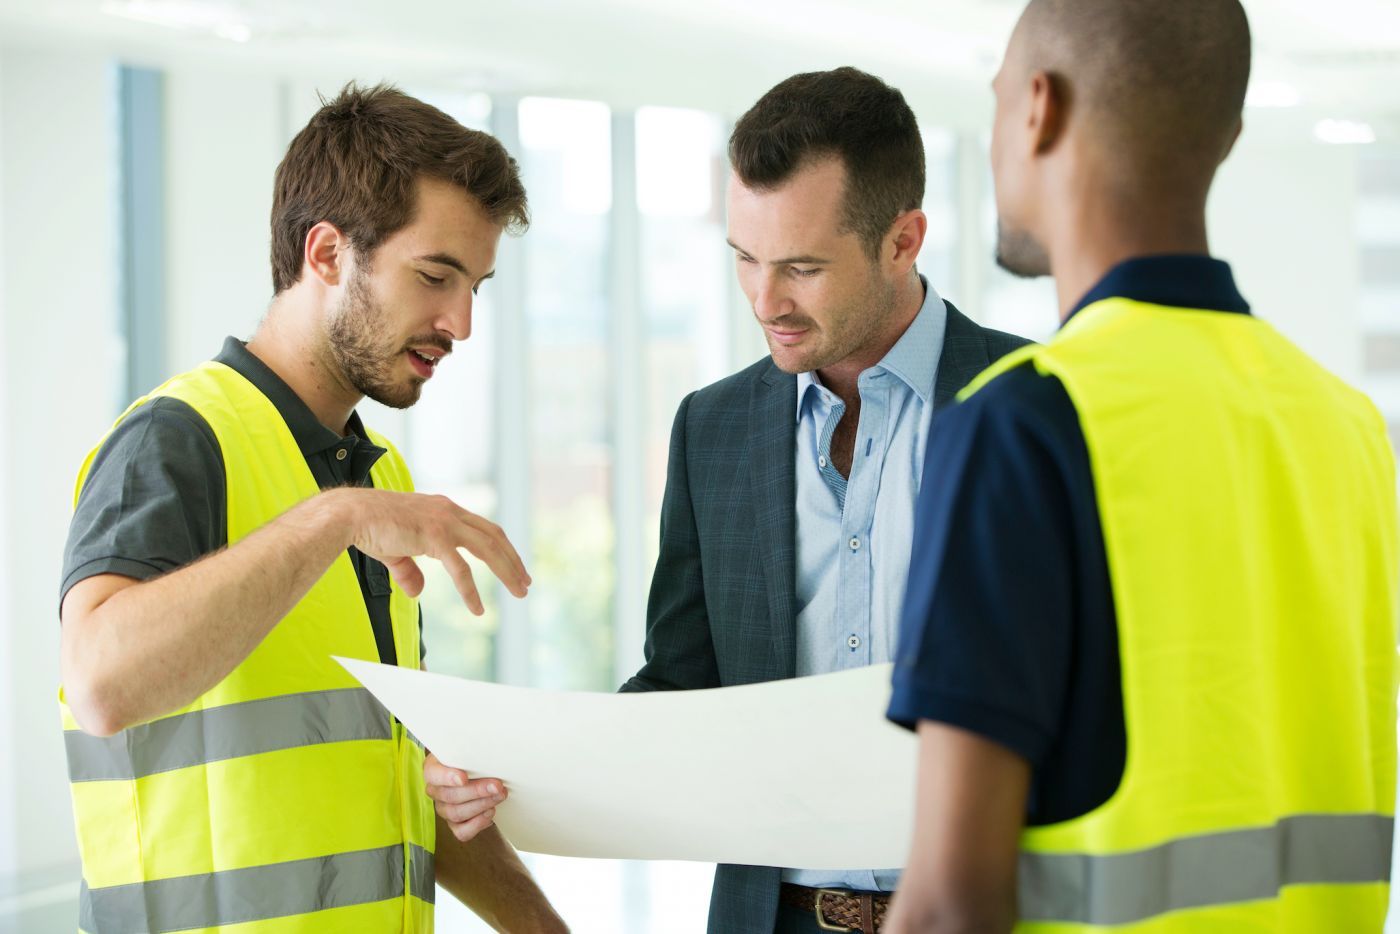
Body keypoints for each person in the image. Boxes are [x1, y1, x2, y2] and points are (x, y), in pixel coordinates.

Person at [429, 67, 1029, 933]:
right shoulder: (712, 429)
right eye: (745, 258)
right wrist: (510, 772)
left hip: (992, 912)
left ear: (904, 241)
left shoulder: (1035, 402)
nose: (764, 300)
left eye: (803, 268)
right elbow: (682, 689)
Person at [884, 0, 1399, 930]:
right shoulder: (1349, 427)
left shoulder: (1024, 424)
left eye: (998, 101)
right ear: (1226, 136)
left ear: (1037, 108)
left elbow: (949, 907)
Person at [58, 84, 566, 933]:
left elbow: (369, 776)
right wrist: (335, 519)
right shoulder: (176, 438)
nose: (462, 322)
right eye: (436, 276)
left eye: (475, 285)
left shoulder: (379, 471)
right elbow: (102, 684)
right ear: (326, 253)